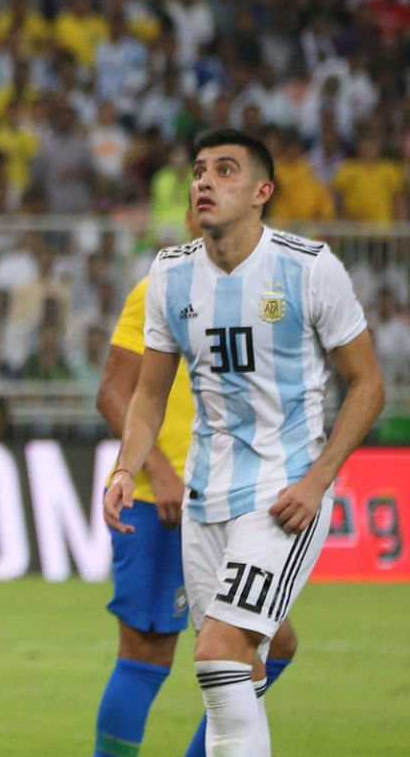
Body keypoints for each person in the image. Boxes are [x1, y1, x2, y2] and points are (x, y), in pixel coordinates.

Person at [103, 128, 387, 757]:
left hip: (280, 495)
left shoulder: (309, 268)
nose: (205, 181)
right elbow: (146, 394)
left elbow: (368, 385)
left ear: (262, 192)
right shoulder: (170, 275)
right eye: (200, 170)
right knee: (235, 676)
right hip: (205, 501)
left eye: (225, 171)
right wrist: (126, 469)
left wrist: (317, 482)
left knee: (219, 651)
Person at [92, 209, 299, 757]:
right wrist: (157, 471)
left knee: (271, 646)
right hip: (162, 502)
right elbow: (114, 392)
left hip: (234, 500)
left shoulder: (268, 299)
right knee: (147, 651)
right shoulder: (158, 290)